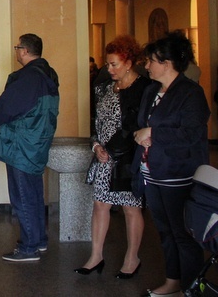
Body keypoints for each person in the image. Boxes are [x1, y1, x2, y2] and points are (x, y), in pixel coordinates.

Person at [133, 31, 210, 296]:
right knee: (165, 232)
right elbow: (143, 123)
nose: (146, 65)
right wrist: (140, 134)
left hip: (178, 173)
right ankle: (172, 281)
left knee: (183, 235)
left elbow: (190, 133)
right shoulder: (152, 90)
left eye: (150, 61)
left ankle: (190, 288)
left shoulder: (190, 93)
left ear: (166, 63)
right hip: (153, 171)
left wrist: (152, 134)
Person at [75, 35, 151, 277]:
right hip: (103, 156)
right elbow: (97, 121)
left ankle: (132, 258)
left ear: (128, 63)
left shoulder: (143, 88)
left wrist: (112, 149)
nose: (108, 69)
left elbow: (136, 125)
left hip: (128, 158)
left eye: (113, 64)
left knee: (131, 207)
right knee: (100, 205)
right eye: (107, 64)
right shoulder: (105, 87)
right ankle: (96, 256)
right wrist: (97, 145)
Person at [0, 34, 59, 262]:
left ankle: (28, 247)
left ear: (24, 51)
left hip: (22, 144)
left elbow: (5, 109)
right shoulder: (48, 73)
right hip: (38, 142)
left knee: (22, 197)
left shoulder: (27, 77)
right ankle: (39, 240)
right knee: (35, 194)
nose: (16, 51)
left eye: (17, 47)